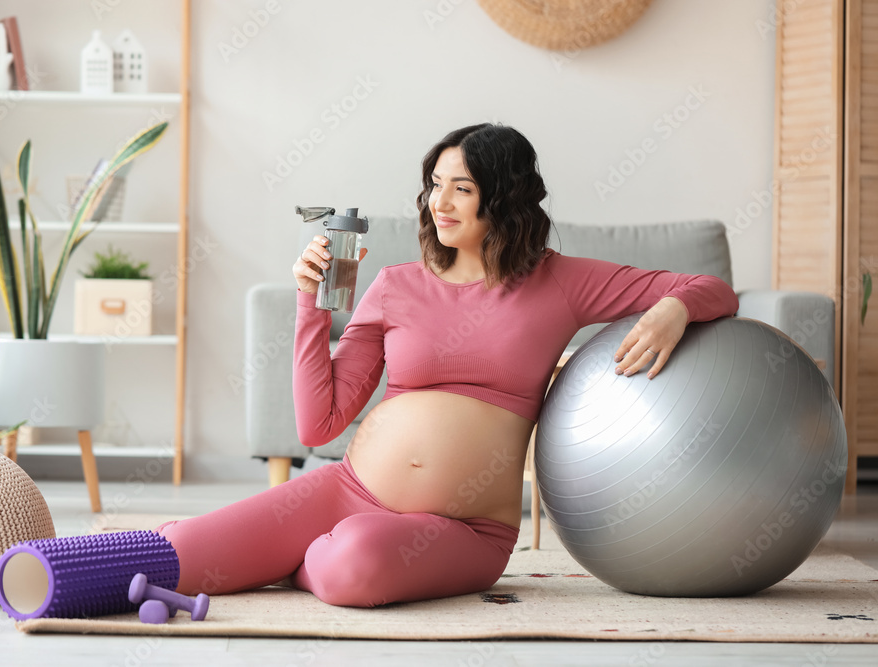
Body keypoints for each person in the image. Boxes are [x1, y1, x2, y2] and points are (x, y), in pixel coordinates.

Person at [155, 123, 739, 607]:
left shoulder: (560, 281)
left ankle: (301, 558)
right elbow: (319, 425)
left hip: (466, 530)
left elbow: (710, 287)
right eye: (436, 184)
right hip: (348, 490)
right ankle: (68, 574)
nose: (440, 201)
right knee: (177, 553)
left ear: (504, 196)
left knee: (351, 564)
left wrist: (673, 308)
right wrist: (309, 302)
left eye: (462, 187)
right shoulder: (394, 285)